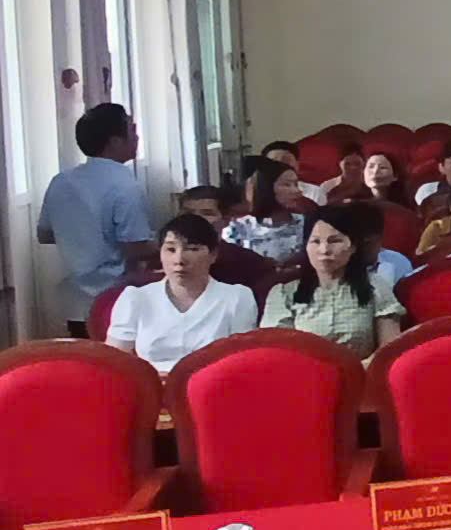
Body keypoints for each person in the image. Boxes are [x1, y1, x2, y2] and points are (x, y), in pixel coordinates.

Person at [36, 102, 155, 332]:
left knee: (84, 352)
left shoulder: (61, 181)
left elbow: (45, 234)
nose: (137, 137)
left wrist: (81, 236)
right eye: (132, 129)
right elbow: (135, 246)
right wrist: (168, 245)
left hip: (75, 301)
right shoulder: (124, 185)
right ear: (115, 141)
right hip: (115, 300)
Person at [104, 214, 258, 372]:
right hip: (151, 383)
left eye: (192, 249)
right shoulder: (136, 298)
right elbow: (114, 360)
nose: (179, 260)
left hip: (213, 383)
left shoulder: (237, 297)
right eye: (171, 249)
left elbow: (241, 361)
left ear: (213, 255)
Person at [261, 205, 405, 357]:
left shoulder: (375, 287)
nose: (324, 250)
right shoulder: (284, 294)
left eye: (334, 241)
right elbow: (279, 352)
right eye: (315, 241)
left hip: (364, 369)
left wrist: (361, 367)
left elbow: (389, 348)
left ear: (353, 247)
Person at [224, 159, 311, 269]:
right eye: (287, 185)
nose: (297, 191)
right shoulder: (237, 229)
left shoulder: (308, 224)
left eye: (296, 184)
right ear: (266, 187)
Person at [261, 139, 328, 204]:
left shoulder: (314, 193)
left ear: (297, 165)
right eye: (273, 162)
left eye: (286, 160)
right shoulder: (257, 194)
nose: (280, 166)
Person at [345, 151, 411, 207]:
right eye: (371, 167)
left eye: (382, 167)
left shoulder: (403, 206)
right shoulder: (352, 203)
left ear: (395, 176)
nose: (375, 171)